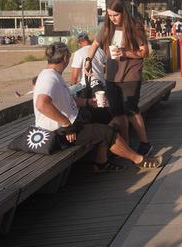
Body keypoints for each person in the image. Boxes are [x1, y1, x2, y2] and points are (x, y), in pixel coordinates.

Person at [34, 43, 161, 172]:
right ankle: (139, 160)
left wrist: (88, 102)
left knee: (112, 115)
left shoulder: (55, 75)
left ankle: (102, 161)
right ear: (65, 58)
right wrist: (67, 124)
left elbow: (67, 100)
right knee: (105, 132)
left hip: (74, 120)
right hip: (60, 133)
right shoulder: (49, 77)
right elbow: (42, 104)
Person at [86, 0, 153, 156]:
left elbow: (145, 52)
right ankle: (126, 143)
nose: (112, 18)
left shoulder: (135, 27)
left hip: (130, 75)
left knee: (131, 109)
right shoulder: (107, 28)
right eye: (109, 15)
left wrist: (125, 53)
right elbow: (95, 44)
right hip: (111, 75)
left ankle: (145, 143)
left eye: (115, 15)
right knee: (117, 112)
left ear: (123, 12)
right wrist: (88, 60)